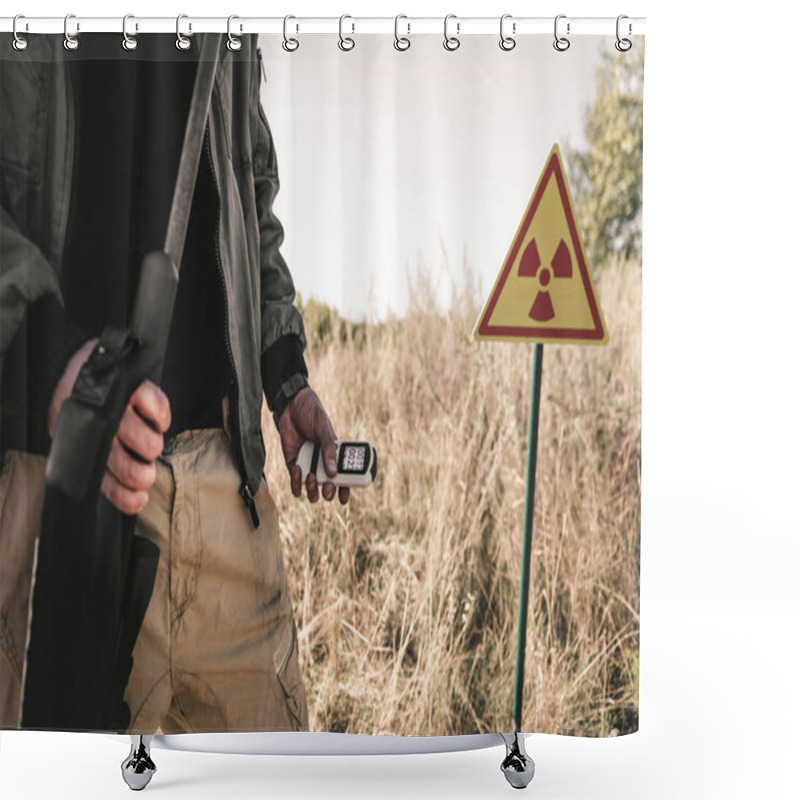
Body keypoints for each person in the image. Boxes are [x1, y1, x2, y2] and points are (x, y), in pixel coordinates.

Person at [0, 32, 346, 733]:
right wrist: (49, 357)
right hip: (55, 481)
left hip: (225, 487)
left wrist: (283, 374)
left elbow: (251, 187)